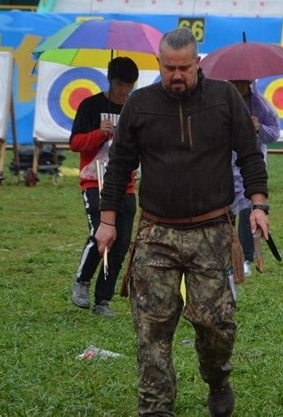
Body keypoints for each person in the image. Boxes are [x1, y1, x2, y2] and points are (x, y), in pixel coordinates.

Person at [95, 27, 270, 417]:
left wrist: (259, 206)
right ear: (159, 64)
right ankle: (156, 408)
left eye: (184, 68)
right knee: (151, 328)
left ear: (197, 63)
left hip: (211, 230)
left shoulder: (224, 98)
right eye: (169, 67)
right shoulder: (140, 105)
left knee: (216, 325)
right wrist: (108, 222)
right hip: (157, 232)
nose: (177, 75)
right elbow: (120, 165)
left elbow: (250, 154)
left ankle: (217, 379)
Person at [70, 56, 139, 317]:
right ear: (110, 80)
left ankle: (103, 299)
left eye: (130, 85)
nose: (125, 91)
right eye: (121, 84)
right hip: (93, 179)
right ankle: (82, 281)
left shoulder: (135, 107)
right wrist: (99, 133)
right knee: (100, 235)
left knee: (121, 242)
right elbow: (75, 143)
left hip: (126, 183)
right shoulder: (90, 106)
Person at [229, 79, 280, 277]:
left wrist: (259, 128)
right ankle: (226, 256)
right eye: (233, 81)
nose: (237, 85)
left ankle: (246, 259)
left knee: (248, 213)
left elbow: (274, 134)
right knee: (225, 215)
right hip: (225, 167)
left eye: (241, 82)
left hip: (251, 167)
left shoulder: (261, 105)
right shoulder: (223, 100)